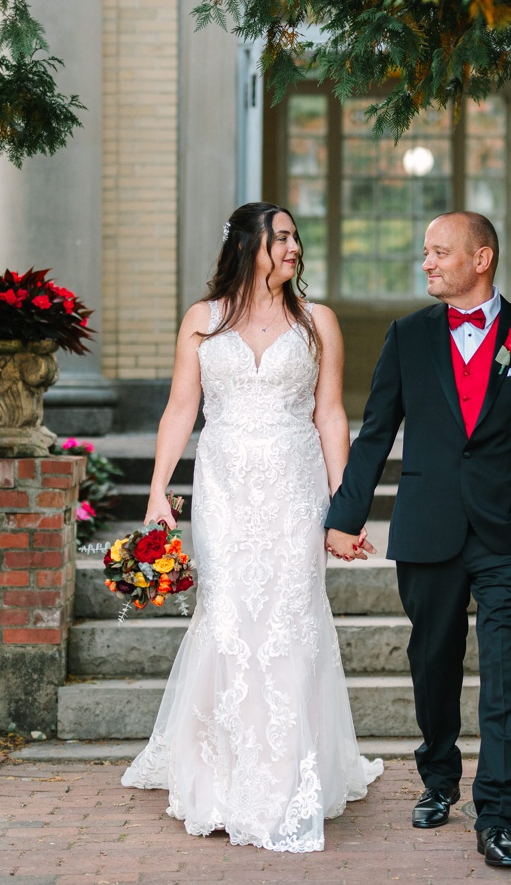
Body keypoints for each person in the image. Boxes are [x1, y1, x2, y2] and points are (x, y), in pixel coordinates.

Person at [324, 211, 511, 869]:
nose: (427, 262)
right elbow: (376, 432)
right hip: (428, 528)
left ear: (483, 258)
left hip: (510, 533)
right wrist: (346, 515)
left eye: (440, 252)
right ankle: (439, 774)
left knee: (504, 674)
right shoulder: (407, 337)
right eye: (425, 252)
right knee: (432, 662)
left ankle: (498, 814)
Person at [121, 201, 382, 852]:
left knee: (291, 615)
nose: (294, 248)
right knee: (231, 615)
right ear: (249, 246)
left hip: (295, 489)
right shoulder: (202, 322)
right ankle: (220, 774)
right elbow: (182, 409)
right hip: (225, 487)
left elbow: (329, 416)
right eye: (282, 237)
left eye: (297, 238)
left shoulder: (318, 322)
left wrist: (343, 508)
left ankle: (287, 777)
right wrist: (159, 491)